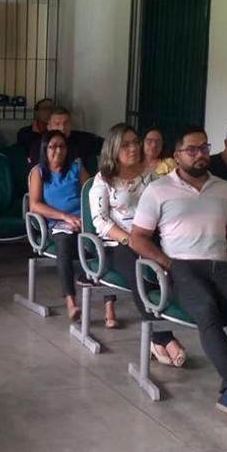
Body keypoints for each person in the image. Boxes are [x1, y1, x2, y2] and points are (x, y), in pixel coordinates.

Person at [130, 125, 227, 421]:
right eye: (191, 150)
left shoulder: (225, 188)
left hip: (224, 266)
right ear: (177, 155)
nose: (200, 155)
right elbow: (137, 238)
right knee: (206, 310)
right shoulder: (158, 190)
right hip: (182, 266)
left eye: (204, 148)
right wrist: (168, 264)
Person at [89, 123, 186, 361]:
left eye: (135, 142)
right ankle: (162, 337)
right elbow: (99, 220)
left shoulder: (149, 174)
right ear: (113, 149)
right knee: (141, 272)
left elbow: (164, 205)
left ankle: (163, 334)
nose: (133, 148)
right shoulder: (103, 179)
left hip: (149, 236)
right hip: (117, 243)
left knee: (174, 264)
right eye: (125, 144)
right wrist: (128, 239)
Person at [28, 130, 94, 321]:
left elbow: (91, 194)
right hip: (55, 224)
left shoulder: (76, 168)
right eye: (52, 146)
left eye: (62, 146)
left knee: (104, 243)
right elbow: (35, 205)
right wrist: (65, 217)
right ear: (45, 149)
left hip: (81, 221)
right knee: (64, 243)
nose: (58, 150)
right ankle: (71, 301)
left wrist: (84, 220)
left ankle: (109, 308)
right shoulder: (38, 172)